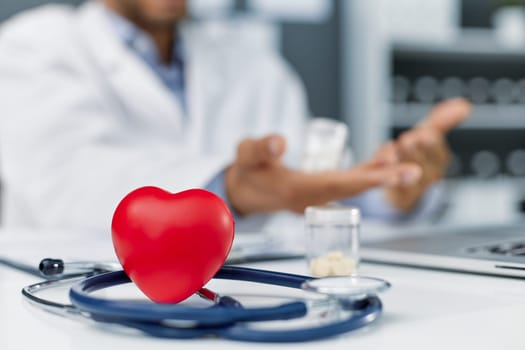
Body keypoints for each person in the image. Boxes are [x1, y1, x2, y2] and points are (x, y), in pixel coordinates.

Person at [0, 0, 471, 231]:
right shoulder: (35, 46)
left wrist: (390, 190)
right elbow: (69, 185)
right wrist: (229, 189)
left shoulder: (250, 62)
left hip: (239, 306)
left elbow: (313, 179)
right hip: (67, 316)